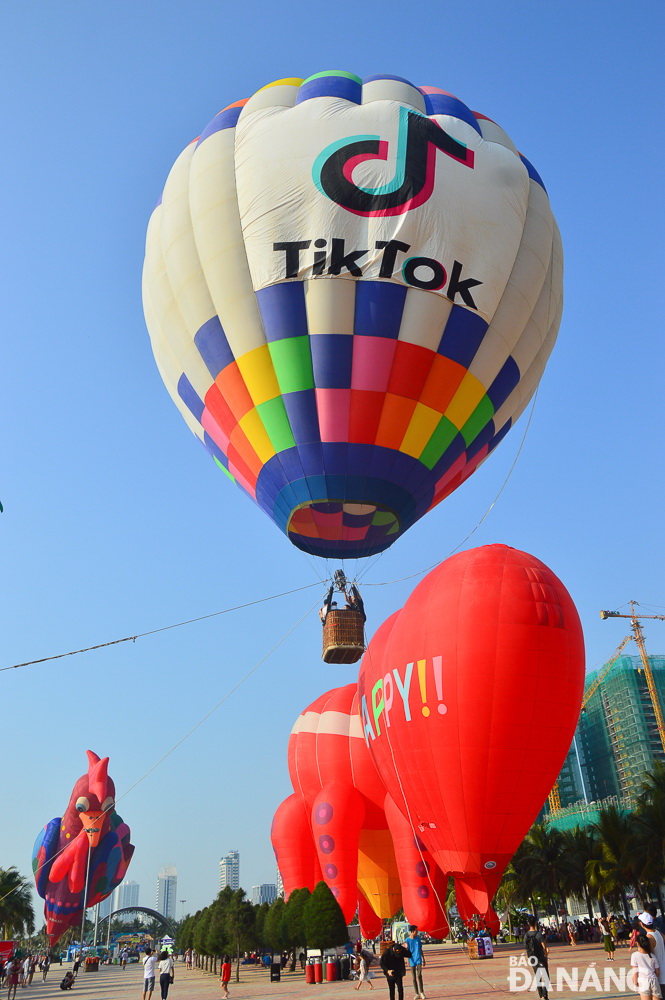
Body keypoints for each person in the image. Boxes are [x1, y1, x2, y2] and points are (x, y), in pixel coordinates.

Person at [524, 916, 550, 1000]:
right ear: (536, 923)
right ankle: (545, 995)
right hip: (541, 957)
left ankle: (541, 995)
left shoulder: (526, 935)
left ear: (528, 923)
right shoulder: (539, 934)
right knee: (546, 976)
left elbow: (526, 947)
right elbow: (544, 947)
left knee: (538, 975)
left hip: (532, 958)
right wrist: (546, 955)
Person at [640, 911, 665, 995]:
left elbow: (650, 957)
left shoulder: (649, 938)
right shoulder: (659, 933)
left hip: (658, 975)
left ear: (642, 924)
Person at [630, 933, 662, 1000]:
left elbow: (635, 971)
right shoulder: (652, 955)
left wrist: (635, 982)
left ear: (638, 943)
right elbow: (657, 971)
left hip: (643, 981)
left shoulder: (635, 955)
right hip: (654, 980)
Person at [405, 926, 426, 999]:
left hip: (418, 959)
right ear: (413, 931)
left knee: (419, 975)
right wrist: (407, 960)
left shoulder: (418, 939)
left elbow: (420, 949)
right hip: (411, 960)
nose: (417, 932)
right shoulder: (407, 940)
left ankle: (422, 992)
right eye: (416, 931)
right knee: (414, 978)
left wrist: (423, 959)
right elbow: (406, 951)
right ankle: (416, 993)